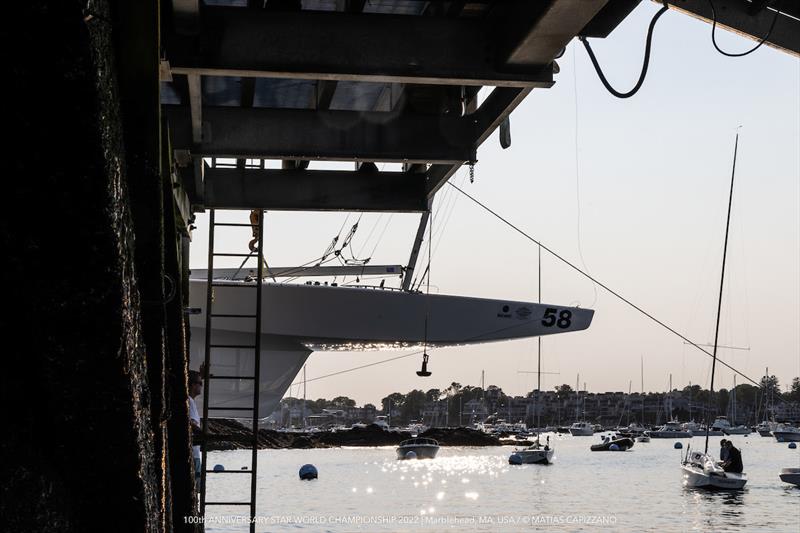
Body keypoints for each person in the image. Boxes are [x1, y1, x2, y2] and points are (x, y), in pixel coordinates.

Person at [188, 370, 203, 484]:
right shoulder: (190, 401)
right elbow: (191, 423)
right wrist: (203, 434)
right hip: (193, 453)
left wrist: (200, 375)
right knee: (194, 487)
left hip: (195, 452)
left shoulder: (190, 400)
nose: (201, 386)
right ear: (193, 385)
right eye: (200, 383)